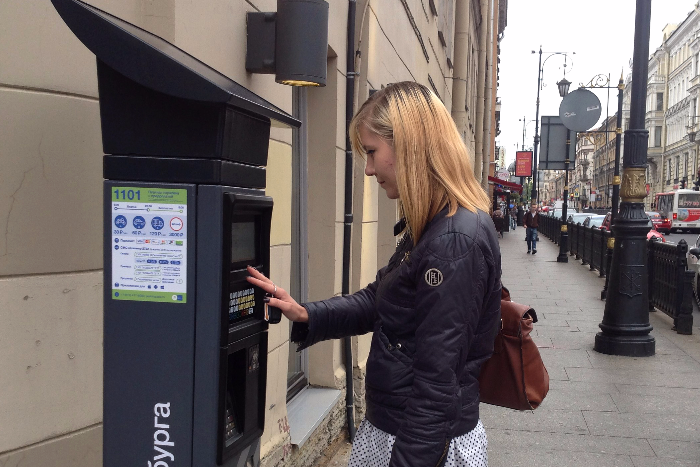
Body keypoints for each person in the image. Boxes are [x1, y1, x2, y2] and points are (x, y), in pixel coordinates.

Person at [246, 82, 501, 467]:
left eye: (371, 152)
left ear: (410, 147)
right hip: (400, 429)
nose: (367, 169)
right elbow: (380, 299)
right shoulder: (434, 226)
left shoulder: (452, 241)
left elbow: (435, 386)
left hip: (418, 441)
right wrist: (308, 313)